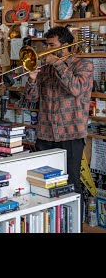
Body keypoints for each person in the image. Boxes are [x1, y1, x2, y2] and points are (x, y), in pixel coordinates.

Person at [24, 26, 93, 198]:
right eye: (46, 45)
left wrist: (58, 63)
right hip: (45, 135)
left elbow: (76, 88)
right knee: (43, 185)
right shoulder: (45, 69)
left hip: (71, 135)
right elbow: (32, 98)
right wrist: (32, 80)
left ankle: (74, 224)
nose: (46, 49)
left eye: (51, 45)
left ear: (66, 45)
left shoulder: (84, 65)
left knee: (71, 185)